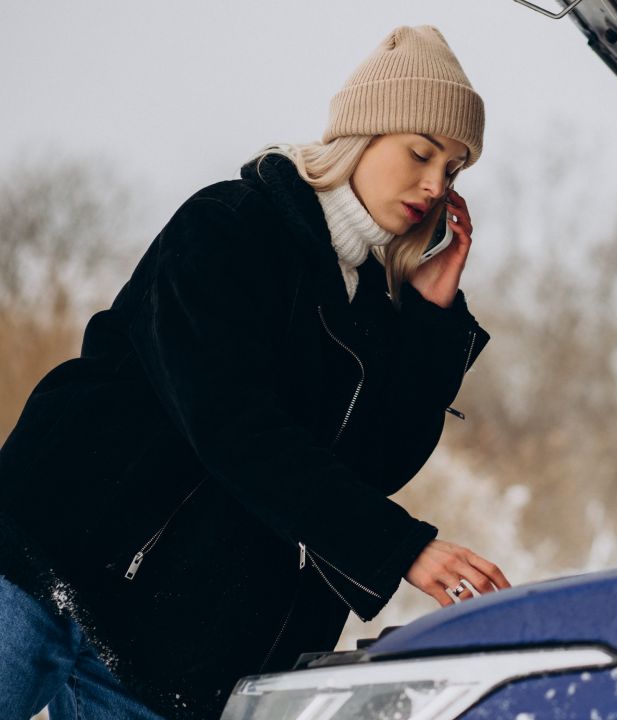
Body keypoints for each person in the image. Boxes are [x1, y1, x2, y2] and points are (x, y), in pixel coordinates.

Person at [0, 24, 510, 720]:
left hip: (168, 643)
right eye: (421, 153)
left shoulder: (375, 305)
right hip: (46, 559)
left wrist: (429, 318)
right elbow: (232, 425)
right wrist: (402, 549)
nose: (434, 184)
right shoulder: (231, 226)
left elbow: (372, 466)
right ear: (362, 136)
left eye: (453, 170)